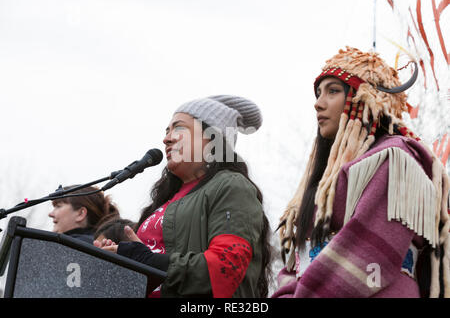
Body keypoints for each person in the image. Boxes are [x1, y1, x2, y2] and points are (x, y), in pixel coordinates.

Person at [274, 47, 449, 298]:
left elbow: (368, 255)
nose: (318, 103)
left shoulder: (394, 158)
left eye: (333, 91)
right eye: (318, 93)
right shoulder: (323, 178)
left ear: (366, 101)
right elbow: (298, 262)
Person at [96, 95, 273, 298]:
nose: (167, 138)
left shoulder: (231, 186)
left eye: (179, 129)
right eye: (167, 131)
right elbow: (147, 267)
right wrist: (114, 261)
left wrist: (146, 260)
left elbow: (226, 267)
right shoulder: (164, 201)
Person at [48, 185, 120, 243]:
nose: (50, 214)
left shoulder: (70, 246)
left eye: (58, 206)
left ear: (80, 214)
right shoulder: (98, 247)